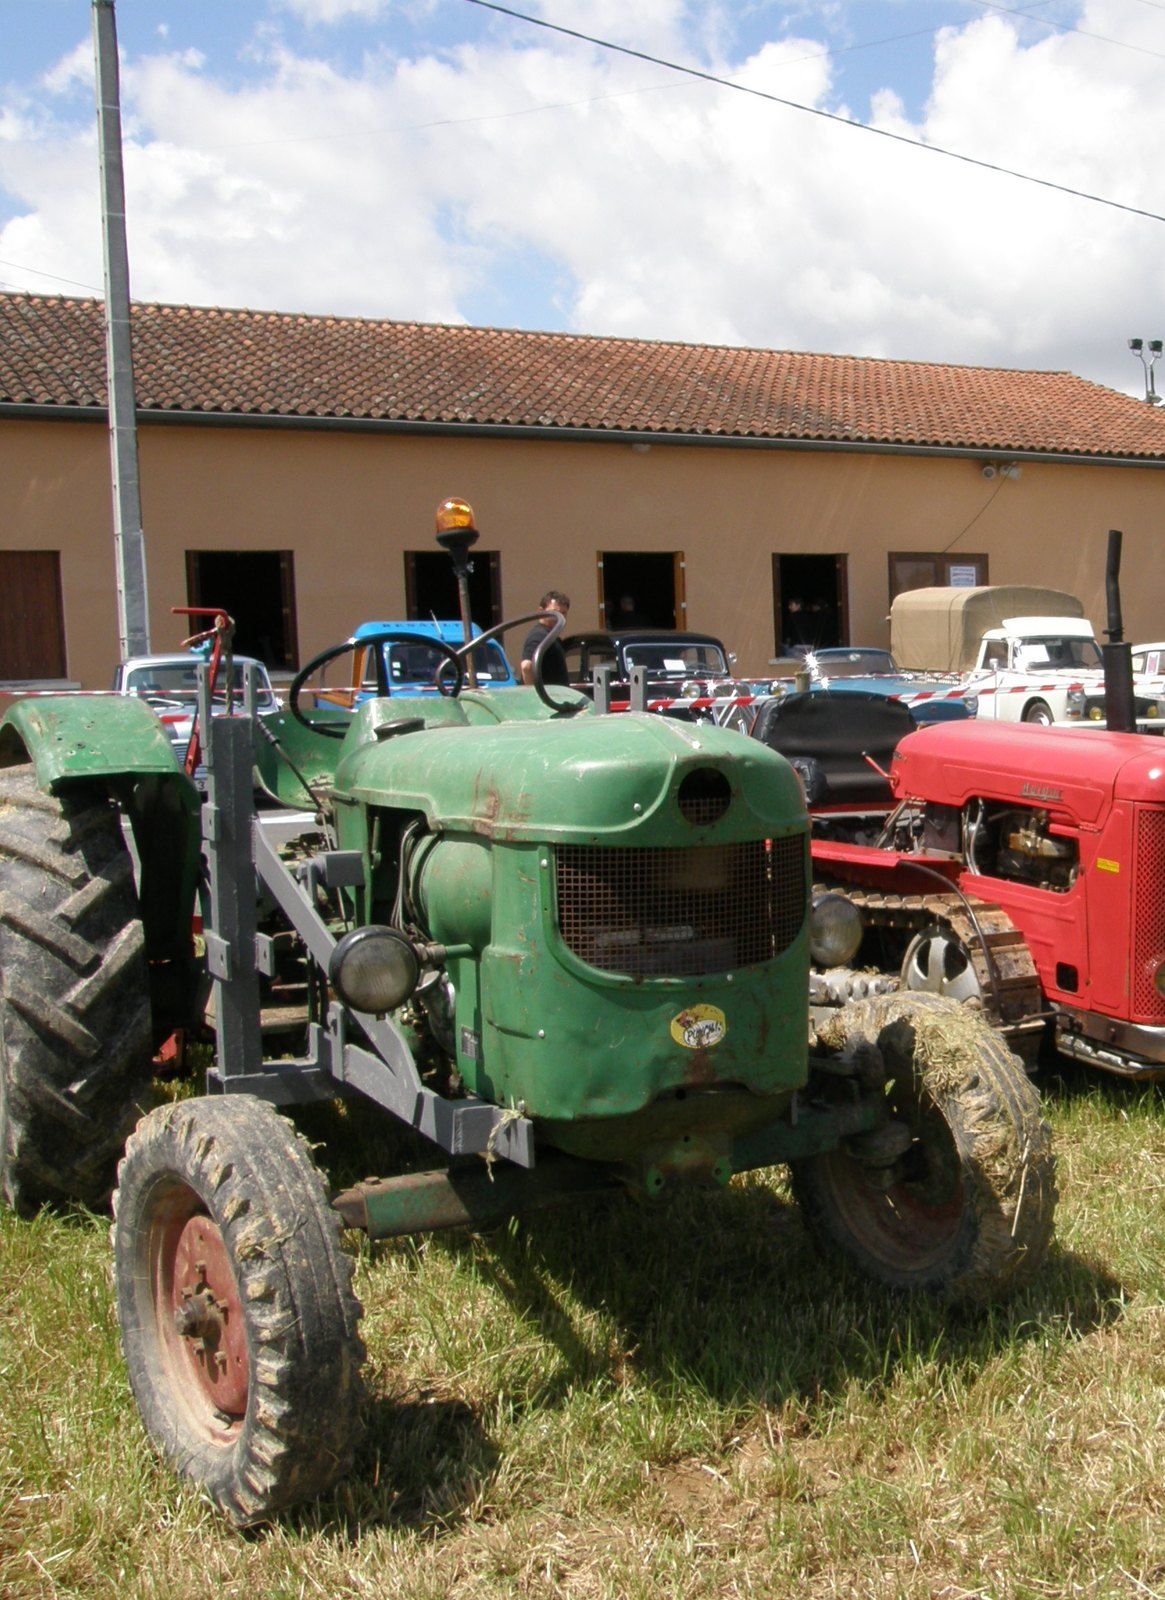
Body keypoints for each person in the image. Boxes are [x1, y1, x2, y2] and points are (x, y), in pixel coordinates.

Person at [521, 591, 570, 685]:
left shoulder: (551, 636)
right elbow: (526, 666)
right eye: (555, 612)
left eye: (563, 613)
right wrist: (534, 695)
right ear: (541, 611)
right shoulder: (539, 635)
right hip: (545, 697)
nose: (559, 617)